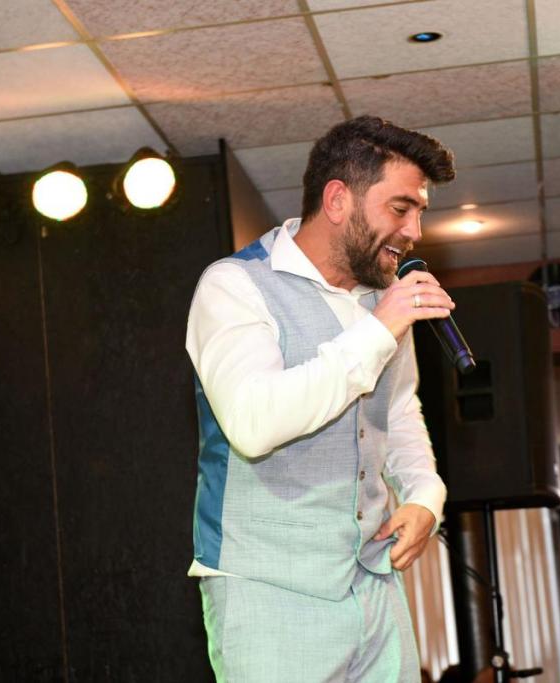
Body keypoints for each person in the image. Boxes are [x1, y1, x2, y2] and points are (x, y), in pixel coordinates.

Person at [185, 115, 456, 682]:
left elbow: (399, 411)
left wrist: (426, 497)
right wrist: (378, 332)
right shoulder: (235, 285)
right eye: (400, 208)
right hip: (268, 591)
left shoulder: (383, 298)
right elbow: (253, 424)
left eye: (420, 212)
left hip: (374, 585)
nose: (414, 231)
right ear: (337, 200)